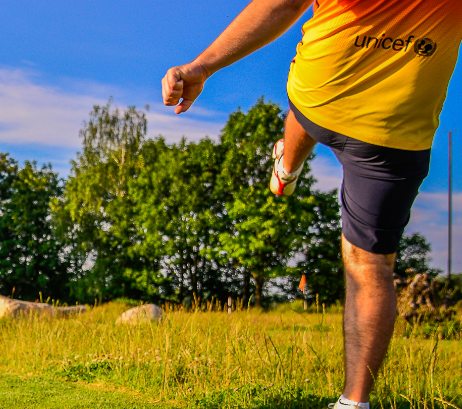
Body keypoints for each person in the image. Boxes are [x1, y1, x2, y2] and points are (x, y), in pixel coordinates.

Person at [161, 1, 462, 408]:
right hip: (393, 127)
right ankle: (353, 403)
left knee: (304, 106)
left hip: (325, 92)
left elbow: (281, 6)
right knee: (369, 264)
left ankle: (287, 164)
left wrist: (202, 66)